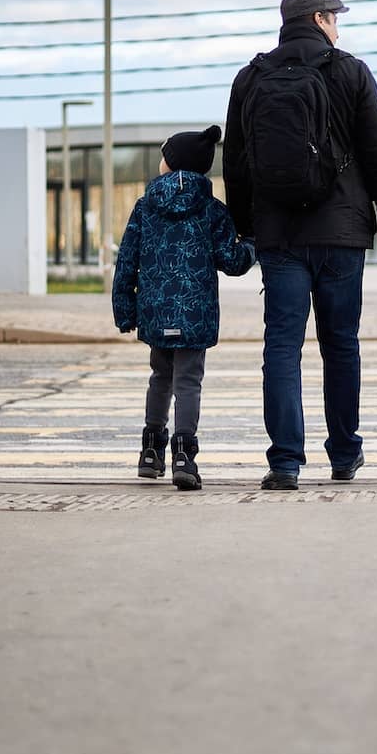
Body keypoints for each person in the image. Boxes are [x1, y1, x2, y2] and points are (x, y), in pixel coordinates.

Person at [222, 0, 377, 491]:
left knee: (281, 347)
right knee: (340, 344)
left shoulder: (251, 77)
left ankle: (285, 462)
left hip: (278, 236)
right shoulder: (351, 72)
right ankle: (344, 454)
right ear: (320, 19)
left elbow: (235, 163)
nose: (339, 28)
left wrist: (245, 228)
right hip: (343, 234)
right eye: (336, 19)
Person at [112, 126, 255, 491]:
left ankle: (149, 451)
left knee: (160, 377)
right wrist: (252, 244)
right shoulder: (211, 210)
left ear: (172, 163)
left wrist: (125, 311)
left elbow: (127, 260)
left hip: (156, 312)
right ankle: (183, 457)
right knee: (188, 382)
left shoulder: (145, 206)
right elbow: (232, 260)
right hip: (195, 313)